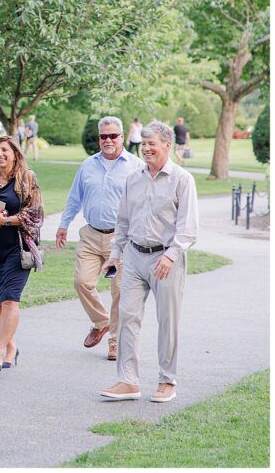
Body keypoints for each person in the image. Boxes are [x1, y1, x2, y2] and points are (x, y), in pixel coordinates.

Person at [99, 121, 198, 403]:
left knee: (167, 321)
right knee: (128, 317)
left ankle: (167, 381)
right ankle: (128, 381)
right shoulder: (134, 178)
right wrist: (115, 255)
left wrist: (171, 255)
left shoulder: (182, 179)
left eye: (152, 144)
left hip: (165, 258)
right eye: (143, 144)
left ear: (167, 145)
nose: (146, 149)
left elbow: (188, 228)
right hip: (133, 257)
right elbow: (123, 221)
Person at [56, 117, 143, 361]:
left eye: (113, 136)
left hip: (122, 239)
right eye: (104, 136)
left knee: (119, 291)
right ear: (99, 139)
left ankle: (115, 342)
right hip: (91, 235)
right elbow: (75, 198)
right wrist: (64, 225)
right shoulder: (88, 165)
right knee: (81, 282)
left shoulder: (135, 166)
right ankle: (101, 321)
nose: (108, 140)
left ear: (122, 137)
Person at [0, 136, 44, 372]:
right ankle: (11, 346)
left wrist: (5, 221)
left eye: (5, 150)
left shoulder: (27, 178)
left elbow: (35, 216)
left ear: (15, 153)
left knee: (11, 300)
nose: (0, 154)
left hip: (18, 248)